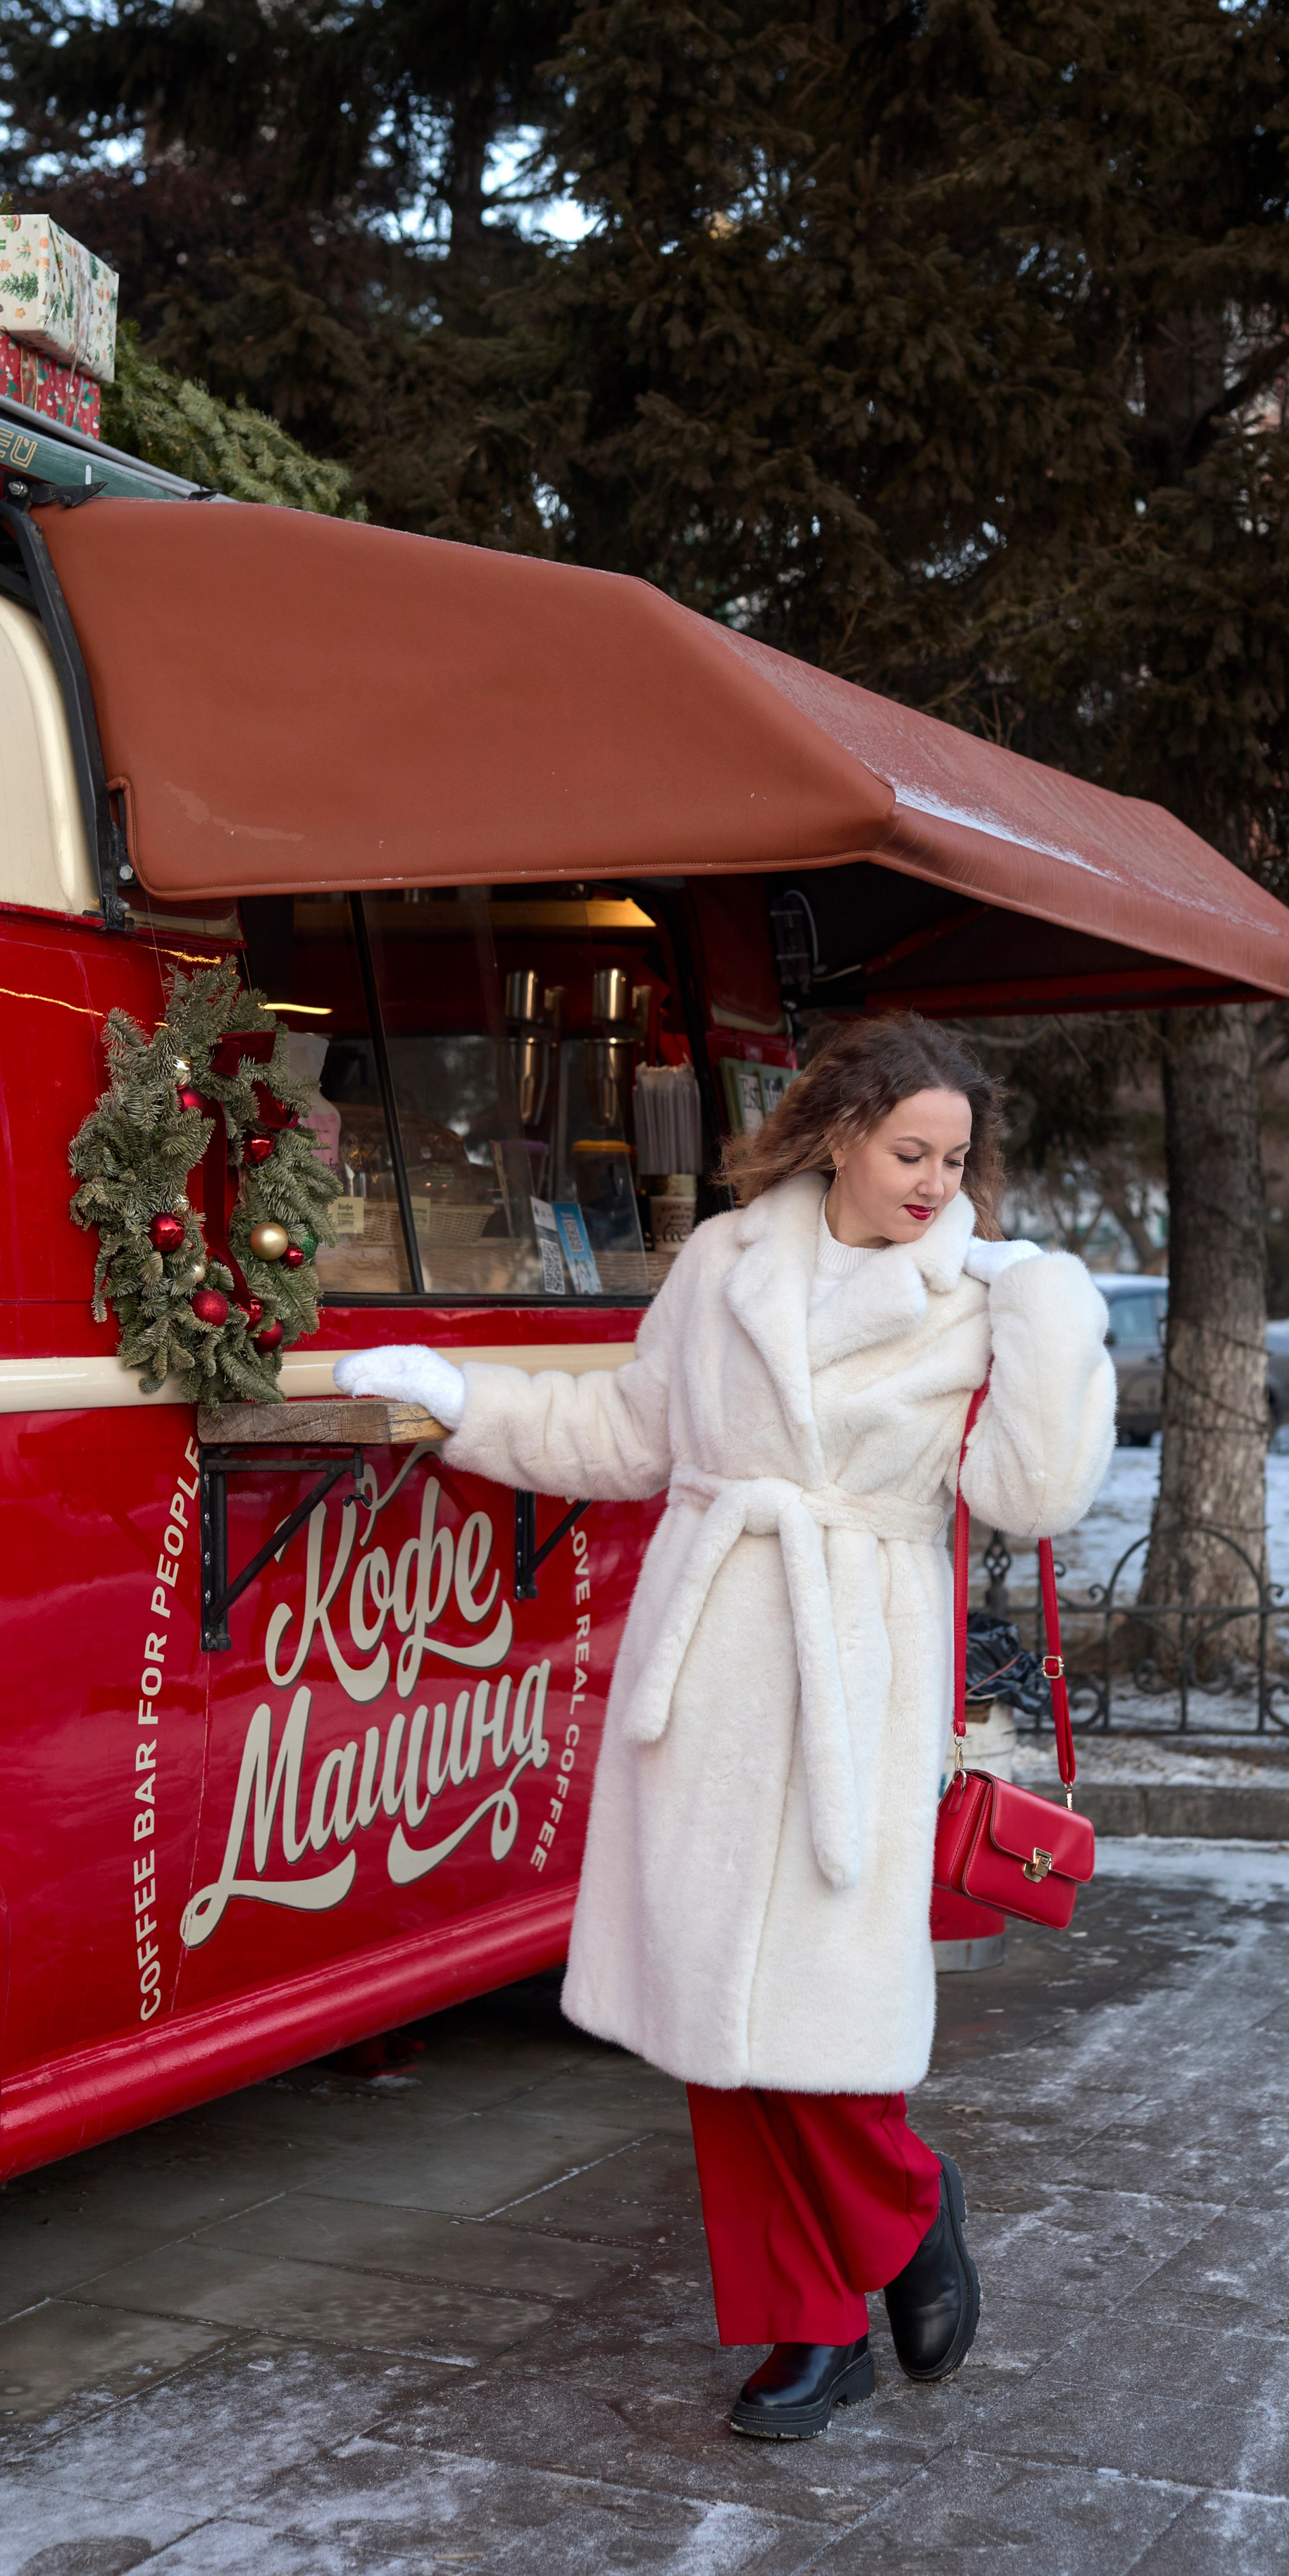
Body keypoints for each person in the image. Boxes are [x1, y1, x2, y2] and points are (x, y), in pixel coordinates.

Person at [335, 1014, 1114, 2439]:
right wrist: (456, 1400)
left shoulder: (979, 1295)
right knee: (716, 2021)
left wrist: (1047, 1305)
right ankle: (805, 2334)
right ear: (835, 1135)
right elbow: (627, 1436)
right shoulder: (723, 1263)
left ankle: (903, 2209)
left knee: (824, 2015)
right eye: (907, 1152)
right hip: (708, 1678)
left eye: (953, 1157)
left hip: (854, 1677)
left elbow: (1032, 1493)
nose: (933, 1183)